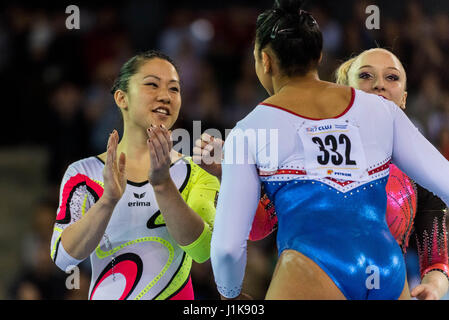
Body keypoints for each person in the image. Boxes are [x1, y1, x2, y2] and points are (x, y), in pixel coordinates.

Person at [209, 0, 449, 300]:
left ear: (265, 60)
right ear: (318, 56)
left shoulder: (250, 129)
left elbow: (228, 247)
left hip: (311, 268)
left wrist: (229, 293)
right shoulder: (380, 110)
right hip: (386, 267)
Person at [49, 50, 220, 300]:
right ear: (122, 98)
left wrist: (163, 185)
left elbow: (203, 251)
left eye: (174, 89)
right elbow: (64, 259)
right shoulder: (84, 173)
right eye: (152, 84)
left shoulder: (196, 172)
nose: (165, 96)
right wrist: (107, 201)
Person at [335, 48, 448, 300]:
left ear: (404, 99)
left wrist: (434, 286)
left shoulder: (422, 172)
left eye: (391, 77)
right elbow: (258, 226)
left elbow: (436, 259)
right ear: (345, 93)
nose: (378, 85)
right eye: (365, 75)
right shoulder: (317, 154)